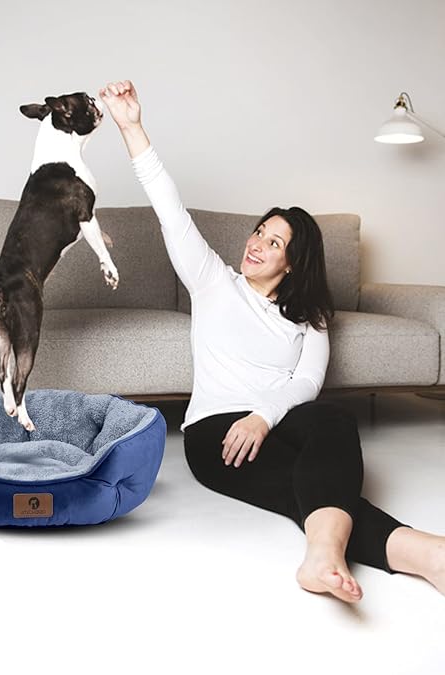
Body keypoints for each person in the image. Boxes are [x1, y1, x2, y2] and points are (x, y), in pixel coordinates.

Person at [99, 80, 445, 603]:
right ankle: (429, 555)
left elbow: (308, 381)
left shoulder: (311, 315)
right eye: (259, 231)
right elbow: (169, 208)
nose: (257, 243)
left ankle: (323, 558)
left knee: (333, 424)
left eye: (274, 241)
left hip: (278, 422)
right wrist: (132, 127)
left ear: (293, 263)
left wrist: (263, 416)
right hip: (218, 434)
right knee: (314, 486)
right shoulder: (213, 281)